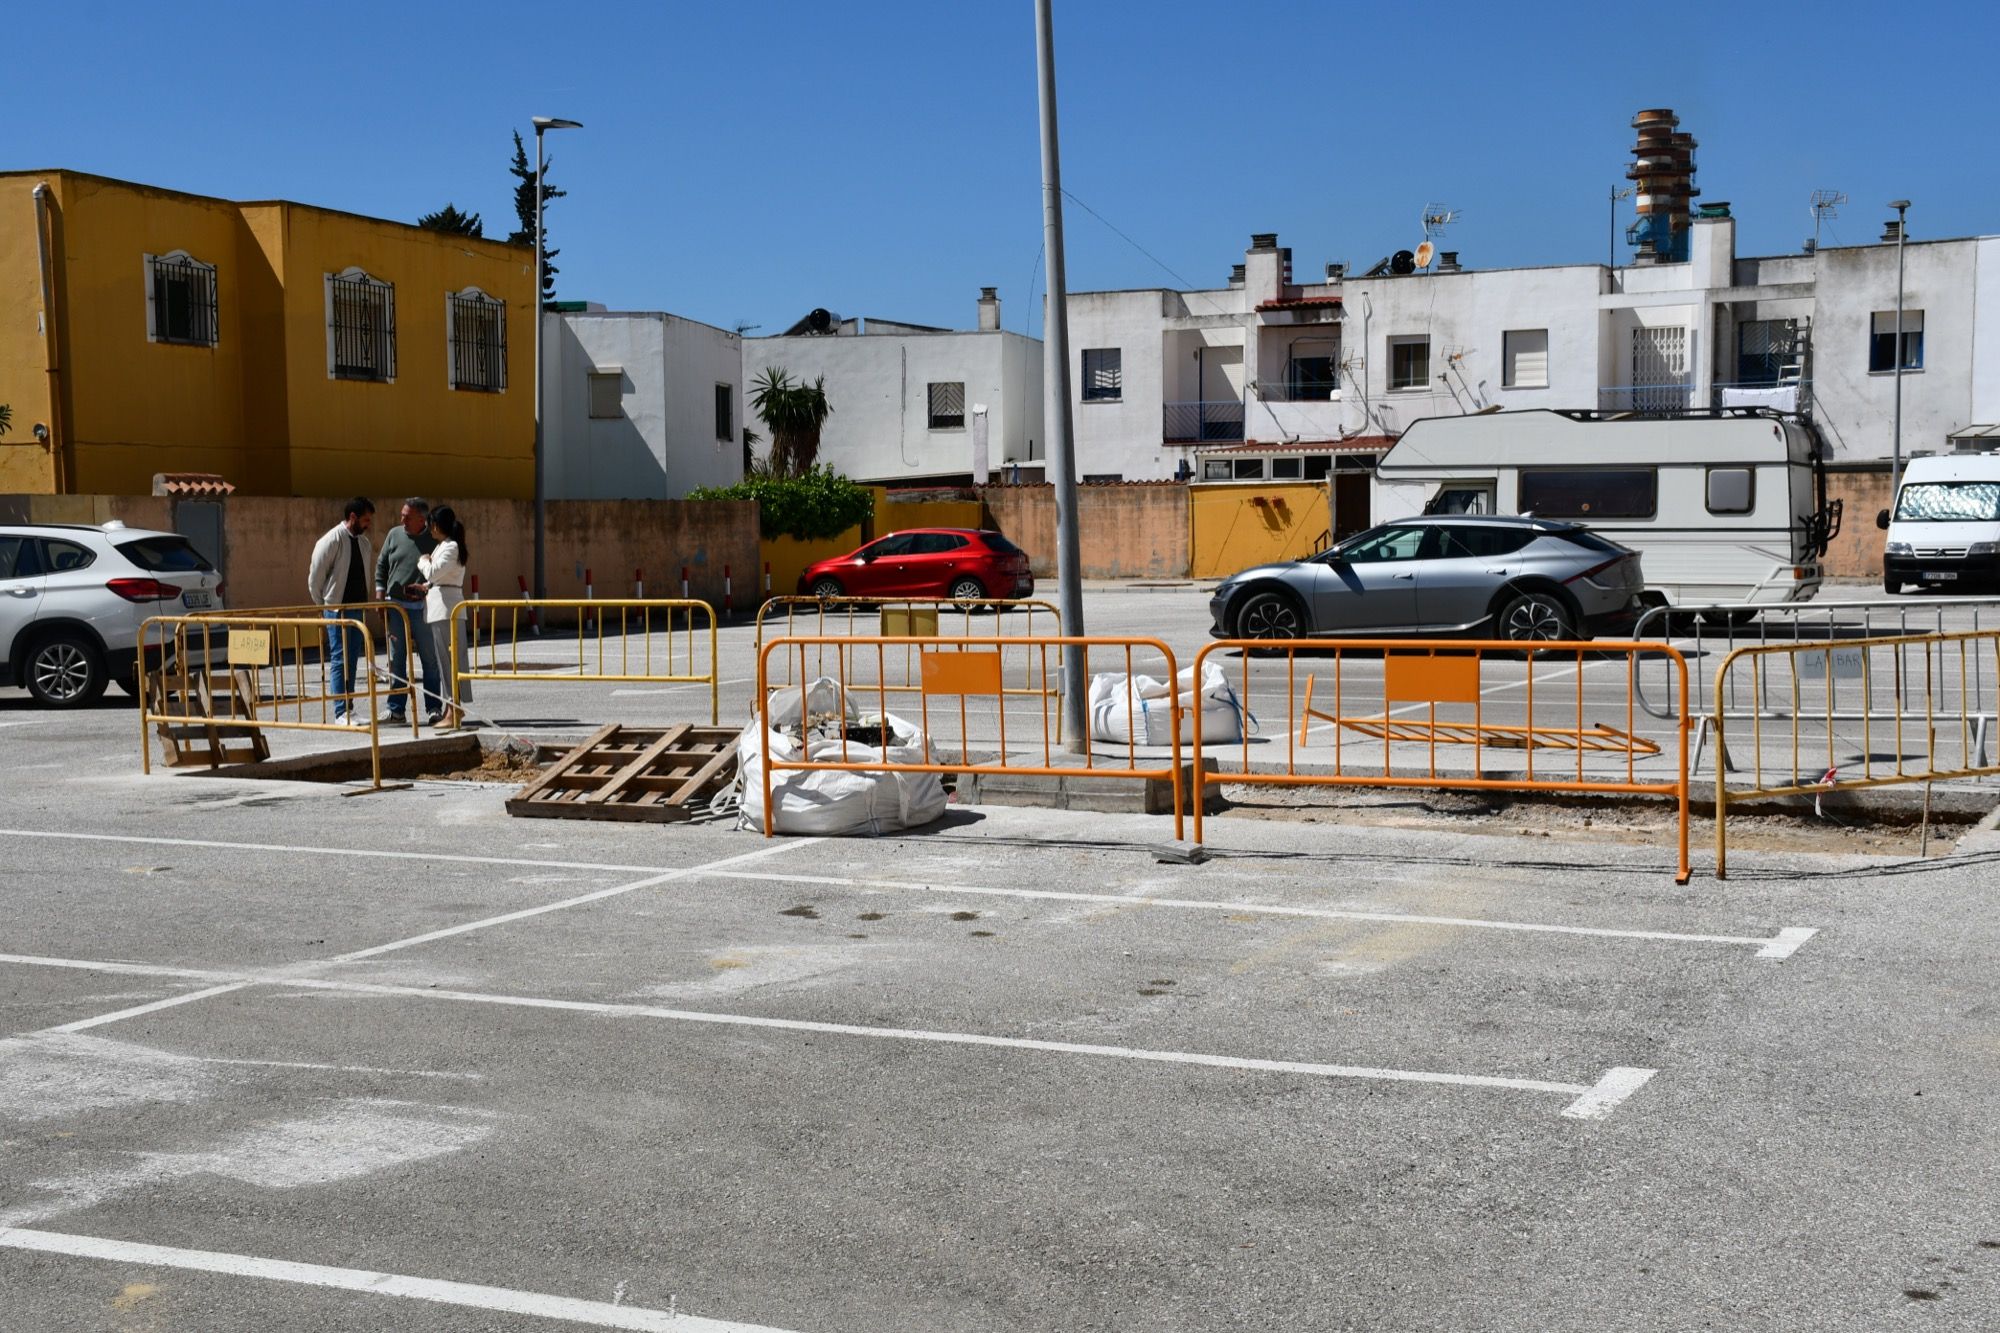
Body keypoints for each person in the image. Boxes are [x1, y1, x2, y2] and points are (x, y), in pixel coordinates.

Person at [373, 496, 442, 725]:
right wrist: (380, 595)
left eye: (407, 516)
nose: (402, 519)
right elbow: (382, 565)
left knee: (429, 659)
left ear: (421, 519)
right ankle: (396, 710)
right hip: (396, 606)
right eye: (402, 514)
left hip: (423, 607)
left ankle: (433, 708)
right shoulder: (394, 535)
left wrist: (427, 588)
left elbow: (443, 572)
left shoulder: (435, 539)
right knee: (396, 658)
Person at [306, 497, 375, 724]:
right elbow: (316, 577)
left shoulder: (363, 543)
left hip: (357, 609)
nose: (368, 524)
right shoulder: (331, 540)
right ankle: (340, 711)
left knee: (352, 659)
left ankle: (350, 706)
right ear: (353, 517)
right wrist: (325, 606)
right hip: (337, 610)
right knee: (339, 659)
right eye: (365, 519)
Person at [415, 505, 472, 730]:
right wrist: (425, 585)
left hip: (448, 609)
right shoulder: (444, 546)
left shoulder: (451, 547)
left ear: (438, 525)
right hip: (441, 606)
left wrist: (423, 560)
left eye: (431, 524)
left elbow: (433, 571)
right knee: (445, 661)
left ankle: (453, 709)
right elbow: (436, 578)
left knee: (450, 662)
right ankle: (451, 708)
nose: (430, 529)